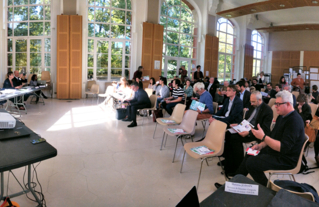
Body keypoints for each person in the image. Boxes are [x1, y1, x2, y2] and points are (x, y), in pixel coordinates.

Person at [231, 90, 305, 187]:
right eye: (275, 103)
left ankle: (266, 188)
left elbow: (283, 148)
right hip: (277, 152)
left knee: (251, 163)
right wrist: (260, 145)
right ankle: (234, 183)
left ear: (287, 104)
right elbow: (273, 136)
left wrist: (263, 137)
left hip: (286, 159)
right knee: (250, 153)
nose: (275, 106)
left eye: (278, 104)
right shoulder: (282, 116)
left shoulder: (294, 121)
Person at [218, 91, 273, 179]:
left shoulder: (267, 110)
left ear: (259, 100)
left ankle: (237, 166)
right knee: (228, 134)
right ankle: (229, 162)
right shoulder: (252, 106)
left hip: (256, 132)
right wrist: (238, 125)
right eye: (250, 101)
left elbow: (265, 130)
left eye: (253, 102)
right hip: (246, 128)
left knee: (235, 139)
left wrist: (249, 132)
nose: (251, 104)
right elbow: (247, 120)